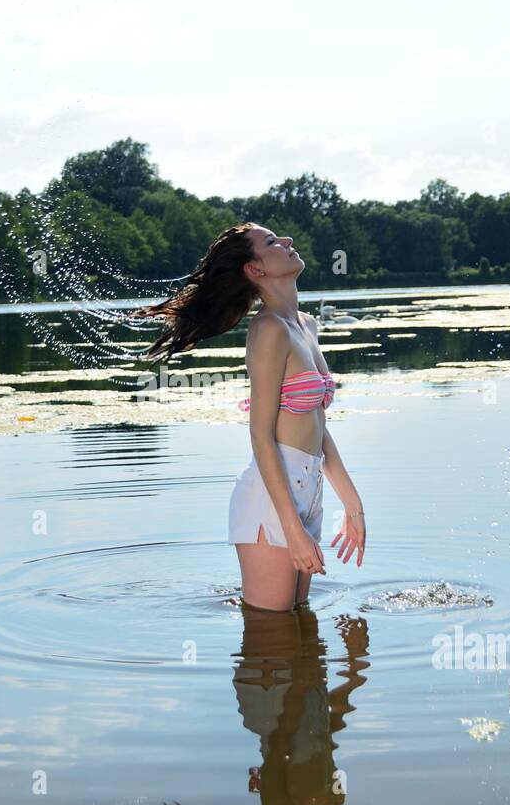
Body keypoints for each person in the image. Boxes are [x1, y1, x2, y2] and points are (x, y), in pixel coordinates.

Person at [130, 222, 367, 611]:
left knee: (301, 640)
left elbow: (320, 431)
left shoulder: (306, 325)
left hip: (307, 498)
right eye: (272, 242)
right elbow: (261, 435)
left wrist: (353, 507)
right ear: (255, 270)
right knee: (268, 642)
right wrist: (291, 528)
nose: (288, 241)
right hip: (270, 503)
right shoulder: (269, 330)